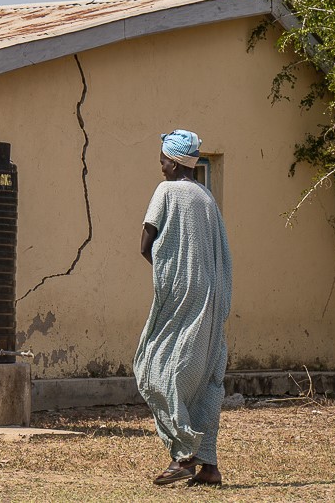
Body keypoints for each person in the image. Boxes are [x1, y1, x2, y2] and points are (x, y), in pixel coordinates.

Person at [136, 130, 232, 486]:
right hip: (214, 298)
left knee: (156, 369)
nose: (160, 167)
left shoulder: (167, 191)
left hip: (182, 297)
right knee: (206, 379)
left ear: (174, 162)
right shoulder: (206, 198)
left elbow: (146, 242)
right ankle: (210, 467)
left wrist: (170, 274)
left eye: (162, 160)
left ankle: (185, 454)